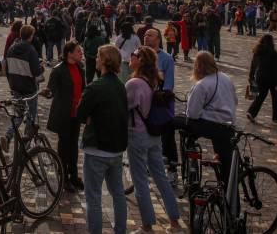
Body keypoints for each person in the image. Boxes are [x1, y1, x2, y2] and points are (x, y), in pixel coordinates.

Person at [125, 46, 183, 234]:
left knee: (140, 180)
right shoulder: (156, 79)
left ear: (140, 60)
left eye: (133, 55)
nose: (130, 58)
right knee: (160, 177)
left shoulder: (134, 83)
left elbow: (125, 107)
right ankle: (174, 222)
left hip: (138, 134)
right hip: (154, 133)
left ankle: (147, 225)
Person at [76, 45, 128, 234]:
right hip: (116, 148)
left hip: (97, 147)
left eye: (98, 56)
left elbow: (80, 113)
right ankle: (121, 230)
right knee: (118, 193)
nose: (95, 59)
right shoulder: (120, 85)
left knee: (93, 198)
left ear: (105, 61)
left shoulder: (96, 86)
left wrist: (89, 116)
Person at [185, 51, 237, 183]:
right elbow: (235, 100)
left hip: (212, 126)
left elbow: (192, 113)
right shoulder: (226, 78)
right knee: (226, 164)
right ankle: (229, 196)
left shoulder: (201, 85)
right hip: (229, 125)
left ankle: (185, 159)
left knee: (178, 122)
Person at [44, 41, 86, 193]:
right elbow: (51, 91)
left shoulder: (80, 68)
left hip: (76, 113)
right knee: (64, 146)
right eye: (78, 51)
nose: (81, 54)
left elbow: (83, 89)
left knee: (74, 145)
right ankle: (64, 177)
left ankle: (74, 176)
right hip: (63, 114)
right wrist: (47, 91)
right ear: (69, 54)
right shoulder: (59, 70)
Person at [0, 25, 43, 152]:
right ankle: (26, 145)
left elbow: (7, 69)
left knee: (18, 115)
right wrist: (41, 69)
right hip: (29, 87)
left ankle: (8, 136)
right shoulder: (31, 50)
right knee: (30, 115)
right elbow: (36, 71)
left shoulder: (11, 49)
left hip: (15, 86)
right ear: (30, 36)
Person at [143, 28, 178, 179]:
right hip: (144, 103)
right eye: (145, 35)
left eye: (150, 35)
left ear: (158, 39)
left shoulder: (166, 58)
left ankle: (172, 168)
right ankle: (150, 164)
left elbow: (169, 84)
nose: (146, 37)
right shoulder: (140, 56)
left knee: (167, 135)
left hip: (161, 102)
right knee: (146, 136)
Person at [245, 34, 277, 123]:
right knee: (275, 97)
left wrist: (251, 76)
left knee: (260, 96)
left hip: (260, 77)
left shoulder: (257, 51)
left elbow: (253, 65)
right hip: (272, 78)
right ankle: (276, 117)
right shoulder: (274, 53)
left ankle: (251, 112)